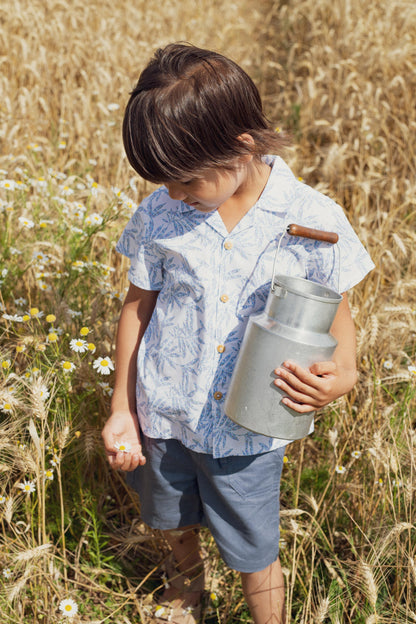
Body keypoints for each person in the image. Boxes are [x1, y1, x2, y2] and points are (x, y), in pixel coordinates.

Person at [101, 43, 374, 624]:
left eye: (189, 180)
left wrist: (344, 374)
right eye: (165, 181)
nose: (175, 193)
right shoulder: (159, 214)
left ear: (243, 146)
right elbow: (136, 308)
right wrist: (123, 408)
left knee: (253, 547)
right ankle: (185, 591)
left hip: (246, 429)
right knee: (171, 519)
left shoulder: (313, 220)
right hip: (165, 413)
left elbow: (337, 311)